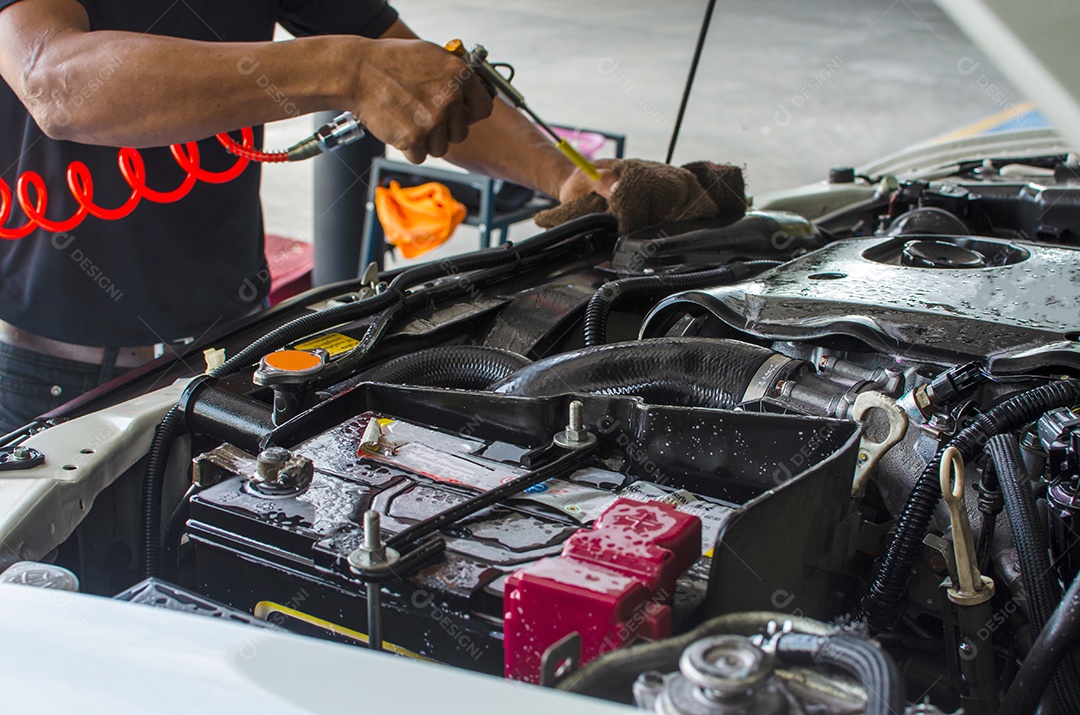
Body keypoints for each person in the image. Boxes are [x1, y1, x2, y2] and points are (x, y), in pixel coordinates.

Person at [0, 0, 616, 432]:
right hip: (59, 374)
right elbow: (55, 81)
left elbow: (417, 87)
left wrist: (567, 178)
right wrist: (345, 69)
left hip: (231, 348)